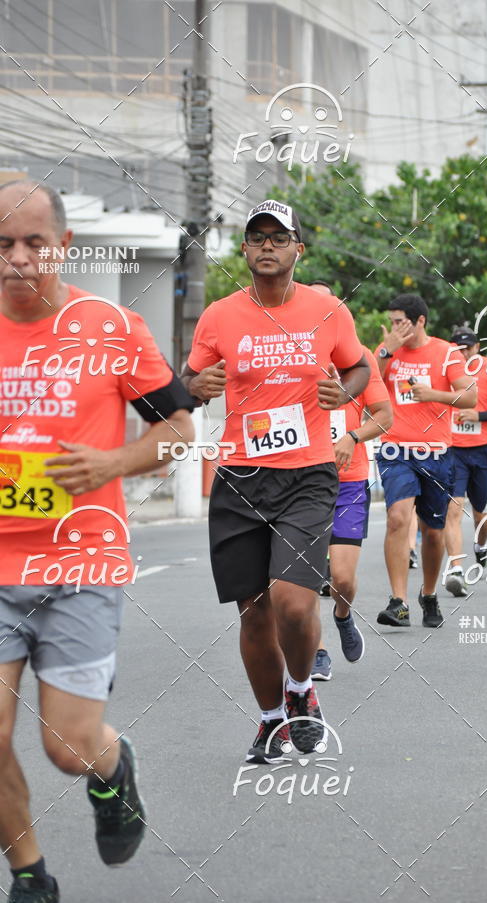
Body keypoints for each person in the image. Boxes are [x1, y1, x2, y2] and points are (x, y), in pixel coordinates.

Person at [0, 181, 195, 903]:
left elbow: (180, 429)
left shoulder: (109, 327)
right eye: (3, 245)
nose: (19, 259)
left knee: (66, 745)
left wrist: (113, 462)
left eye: (34, 243)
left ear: (63, 246)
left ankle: (113, 774)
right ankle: (30, 874)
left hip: (80, 560)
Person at [181, 199, 369, 762]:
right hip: (240, 476)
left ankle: (301, 691)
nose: (267, 245)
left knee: (292, 603)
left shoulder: (327, 308)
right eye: (257, 237)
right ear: (244, 249)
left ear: (297, 249)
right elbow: (189, 377)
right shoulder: (219, 315)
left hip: (308, 474)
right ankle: (269, 721)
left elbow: (358, 364)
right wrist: (196, 385)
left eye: (278, 237)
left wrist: (347, 391)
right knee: (254, 609)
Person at [375, 294, 476, 628]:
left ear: (420, 321)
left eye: (400, 321)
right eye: (391, 321)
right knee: (397, 518)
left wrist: (435, 395)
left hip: (436, 451)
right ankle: (398, 601)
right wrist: (385, 350)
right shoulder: (386, 350)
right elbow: (365, 386)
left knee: (433, 533)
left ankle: (429, 594)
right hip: (395, 449)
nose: (394, 327)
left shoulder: (447, 352)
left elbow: (470, 396)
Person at [307, 282, 392, 681]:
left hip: (349, 482)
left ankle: (343, 614)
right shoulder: (293, 360)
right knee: (303, 577)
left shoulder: (360, 363)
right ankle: (317, 650)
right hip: (301, 481)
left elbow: (384, 416)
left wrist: (353, 436)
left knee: (341, 577)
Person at [442, 328, 487, 597]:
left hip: (484, 452)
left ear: (477, 347)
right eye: (458, 349)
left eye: (467, 348)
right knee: (453, 510)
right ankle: (456, 570)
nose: (463, 353)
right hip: (455, 451)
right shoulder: (446, 371)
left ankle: (480, 547)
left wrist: (479, 417)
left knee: (482, 515)